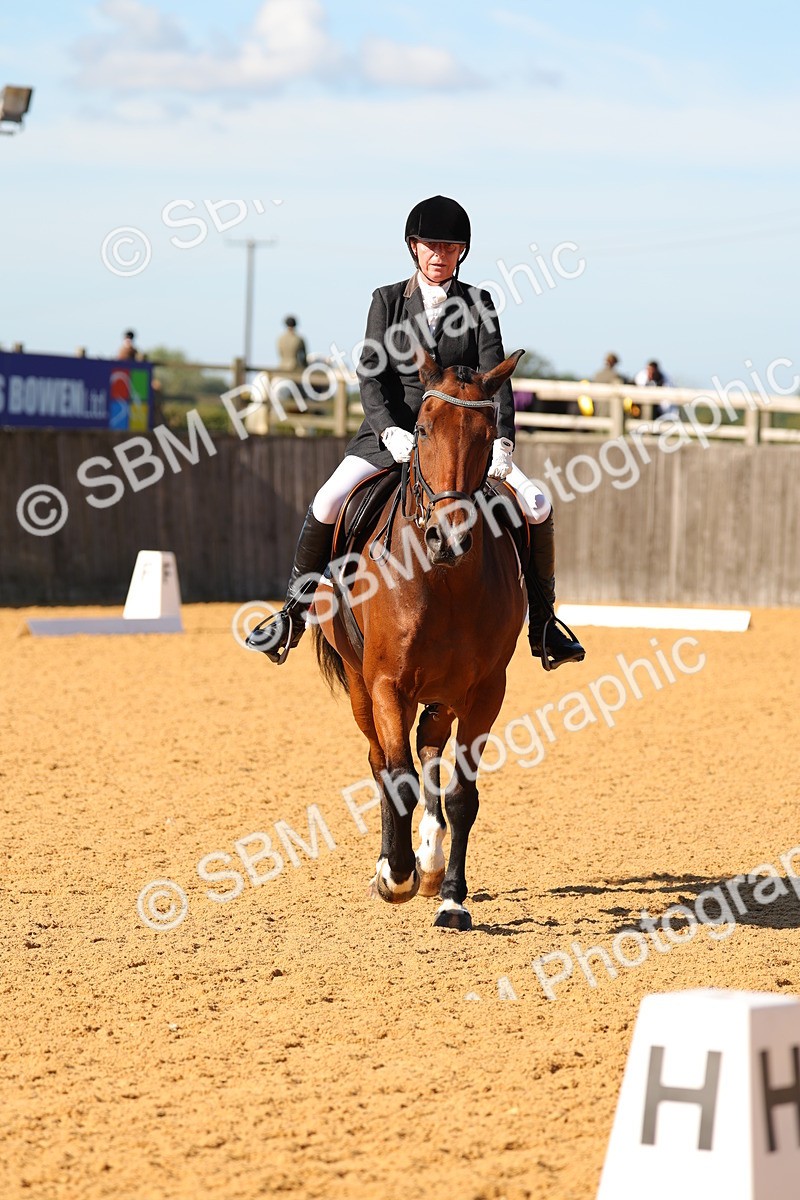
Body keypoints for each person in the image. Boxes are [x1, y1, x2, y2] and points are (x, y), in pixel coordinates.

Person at [249, 195, 585, 671]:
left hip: (460, 441)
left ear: (461, 252)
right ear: (414, 247)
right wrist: (388, 432)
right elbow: (370, 376)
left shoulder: (478, 302)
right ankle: (292, 616)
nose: (438, 254)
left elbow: (495, 380)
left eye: (449, 247)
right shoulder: (386, 300)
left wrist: (503, 442)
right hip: (389, 436)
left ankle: (545, 625)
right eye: (430, 245)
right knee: (327, 501)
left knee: (537, 505)